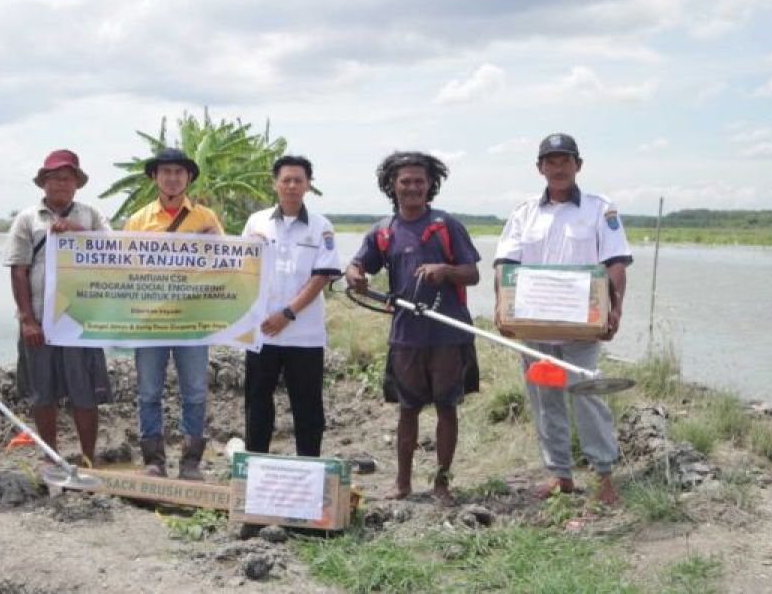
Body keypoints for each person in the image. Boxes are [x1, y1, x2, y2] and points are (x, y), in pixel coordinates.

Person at [493, 133, 632, 506]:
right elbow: (506, 263)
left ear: (578, 165)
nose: (558, 167)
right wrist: (501, 308)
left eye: (565, 160)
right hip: (535, 328)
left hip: (581, 329)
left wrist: (614, 309)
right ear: (540, 168)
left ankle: (605, 476)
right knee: (544, 398)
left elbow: (616, 263)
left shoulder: (600, 209)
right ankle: (560, 474)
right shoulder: (524, 212)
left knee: (588, 397)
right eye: (550, 161)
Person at [345, 151, 480, 505]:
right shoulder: (383, 231)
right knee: (407, 409)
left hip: (449, 334)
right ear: (392, 185)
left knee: (447, 407)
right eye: (405, 181)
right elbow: (360, 266)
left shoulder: (446, 225)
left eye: (419, 181)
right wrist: (355, 273)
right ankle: (402, 483)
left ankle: (442, 483)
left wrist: (445, 271)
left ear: (430, 184)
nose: (412, 187)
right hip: (406, 335)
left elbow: (473, 273)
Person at [5, 149, 113, 465]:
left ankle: (88, 457)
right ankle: (51, 457)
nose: (61, 185)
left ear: (76, 184)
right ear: (44, 183)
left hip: (80, 319)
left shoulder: (91, 215)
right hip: (39, 318)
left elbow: (114, 248)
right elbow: (18, 269)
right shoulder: (27, 219)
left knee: (85, 392)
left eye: (67, 179)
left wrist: (75, 230)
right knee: (42, 392)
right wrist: (27, 319)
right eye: (55, 179)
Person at [123, 147, 224, 479]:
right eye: (165, 171)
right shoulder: (138, 221)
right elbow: (120, 266)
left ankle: (191, 461)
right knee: (148, 391)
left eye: (179, 172)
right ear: (155, 177)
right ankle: (153, 459)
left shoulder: (206, 219)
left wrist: (215, 245)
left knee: (195, 391)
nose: (172, 177)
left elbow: (227, 268)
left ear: (188, 178)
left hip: (192, 320)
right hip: (150, 320)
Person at [241, 155, 341, 457]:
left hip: (304, 335)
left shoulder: (321, 227)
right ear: (276, 184)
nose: (292, 185)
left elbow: (322, 276)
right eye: (286, 180)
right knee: (257, 403)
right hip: (261, 332)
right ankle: (255, 465)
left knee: (308, 407)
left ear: (308, 185)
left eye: (299, 180)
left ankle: (308, 468)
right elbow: (241, 269)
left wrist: (287, 314)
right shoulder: (256, 222)